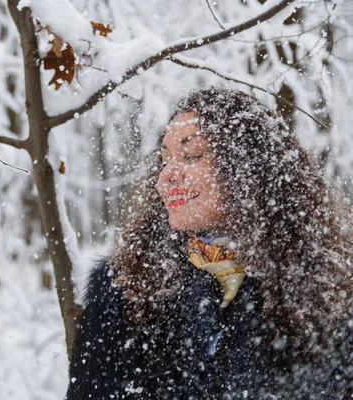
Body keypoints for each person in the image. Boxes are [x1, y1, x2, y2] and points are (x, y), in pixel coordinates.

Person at [65, 87, 353, 399]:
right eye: (164, 160)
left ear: (249, 168)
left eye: (192, 156)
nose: (166, 178)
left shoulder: (330, 291)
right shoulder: (125, 290)